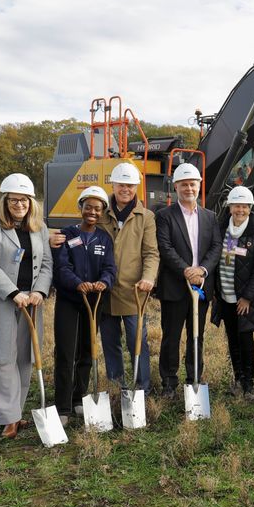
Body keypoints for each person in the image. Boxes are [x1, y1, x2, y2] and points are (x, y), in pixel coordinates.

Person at [0, 173, 53, 439]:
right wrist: (13, 292)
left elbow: (48, 265)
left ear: (31, 202)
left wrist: (39, 291)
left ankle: (5, 413)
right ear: (5, 201)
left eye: (24, 200)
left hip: (31, 303)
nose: (19, 205)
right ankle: (11, 419)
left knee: (24, 359)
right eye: (14, 200)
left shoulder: (40, 228)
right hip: (0, 300)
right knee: (0, 359)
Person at [52, 185, 117, 423]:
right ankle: (63, 406)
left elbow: (110, 268)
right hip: (70, 300)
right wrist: (77, 283)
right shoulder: (67, 234)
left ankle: (79, 397)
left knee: (87, 351)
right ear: (81, 208)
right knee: (66, 352)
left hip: (94, 301)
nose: (92, 212)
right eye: (88, 207)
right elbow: (62, 267)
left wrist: (104, 282)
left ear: (102, 212)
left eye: (97, 209)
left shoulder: (104, 238)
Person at [154, 162, 220, 396]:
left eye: (192, 184)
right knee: (171, 337)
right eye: (184, 185)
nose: (188, 188)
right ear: (176, 187)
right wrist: (186, 270)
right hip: (174, 286)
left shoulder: (210, 216)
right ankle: (169, 382)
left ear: (199, 186)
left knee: (196, 336)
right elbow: (165, 246)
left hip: (200, 286)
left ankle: (194, 378)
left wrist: (201, 270)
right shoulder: (164, 216)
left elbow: (216, 247)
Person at [98, 162, 160, 393]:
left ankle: (142, 387)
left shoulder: (146, 217)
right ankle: (117, 387)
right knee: (110, 343)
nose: (126, 189)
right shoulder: (101, 213)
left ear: (137, 187)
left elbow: (151, 253)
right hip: (105, 291)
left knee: (137, 342)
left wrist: (149, 278)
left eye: (131, 186)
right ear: (113, 185)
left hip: (135, 291)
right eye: (122, 185)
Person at [210, 186, 254, 398]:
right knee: (232, 339)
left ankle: (249, 384)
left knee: (246, 340)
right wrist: (215, 290)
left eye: (244, 206)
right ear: (230, 207)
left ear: (250, 208)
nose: (240, 210)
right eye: (236, 205)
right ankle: (237, 379)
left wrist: (247, 298)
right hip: (225, 296)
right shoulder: (220, 230)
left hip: (245, 299)